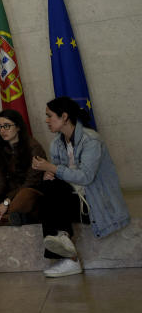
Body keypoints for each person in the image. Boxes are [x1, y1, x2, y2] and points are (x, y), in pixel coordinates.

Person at [33, 97, 130, 278]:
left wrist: (52, 169)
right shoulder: (56, 143)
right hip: (74, 199)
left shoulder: (91, 140)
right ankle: (64, 241)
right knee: (47, 186)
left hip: (96, 204)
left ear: (64, 117)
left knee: (50, 191)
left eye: (49, 116)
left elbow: (86, 177)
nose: (46, 120)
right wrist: (49, 173)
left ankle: (68, 254)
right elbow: (59, 175)